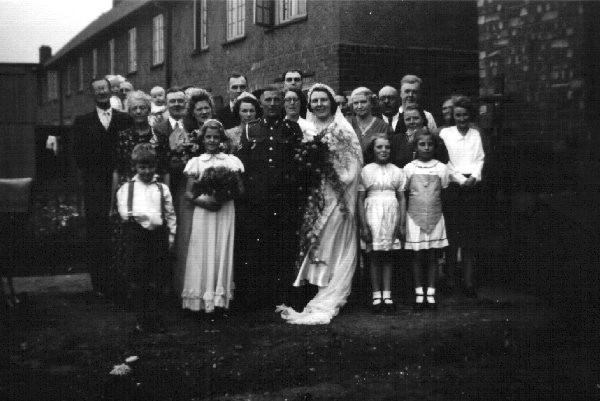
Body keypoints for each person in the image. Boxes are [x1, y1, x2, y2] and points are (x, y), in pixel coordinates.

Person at [277, 83, 362, 325]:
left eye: (323, 100)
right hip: (314, 194)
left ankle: (331, 289)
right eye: (314, 101)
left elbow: (353, 166)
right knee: (316, 241)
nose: (319, 105)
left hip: (337, 195)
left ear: (332, 103)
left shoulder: (342, 129)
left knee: (332, 240)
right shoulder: (308, 127)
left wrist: (327, 174)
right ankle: (315, 287)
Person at [236, 85, 304, 309]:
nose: (273, 104)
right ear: (261, 103)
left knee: (283, 246)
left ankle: (282, 294)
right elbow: (243, 165)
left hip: (284, 198)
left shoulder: (292, 129)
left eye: (277, 100)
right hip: (258, 199)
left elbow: (298, 164)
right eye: (268, 100)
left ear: (283, 102)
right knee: (259, 247)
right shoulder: (250, 129)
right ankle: (259, 297)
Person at [73, 77, 132, 297]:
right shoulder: (83, 121)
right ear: (92, 94)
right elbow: (78, 155)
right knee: (97, 230)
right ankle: (99, 283)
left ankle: (121, 281)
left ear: (111, 91)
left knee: (121, 227)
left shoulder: (124, 119)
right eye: (97, 90)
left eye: (104, 89)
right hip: (95, 184)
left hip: (121, 182)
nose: (101, 93)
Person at [181, 120, 244, 315]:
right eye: (208, 137)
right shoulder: (196, 162)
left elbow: (240, 190)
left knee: (221, 250)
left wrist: (225, 195)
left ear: (222, 139)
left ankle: (220, 299)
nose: (212, 140)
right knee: (202, 251)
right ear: (202, 138)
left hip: (225, 211)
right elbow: (189, 194)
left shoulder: (231, 161)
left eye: (216, 137)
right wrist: (206, 203)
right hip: (204, 212)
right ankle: (199, 300)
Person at [116, 143, 176, 333]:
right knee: (138, 279)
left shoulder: (162, 188)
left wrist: (172, 236)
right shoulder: (127, 188)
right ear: (135, 167)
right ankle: (141, 319)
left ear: (155, 166)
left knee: (157, 279)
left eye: (150, 167)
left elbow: (170, 213)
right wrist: (144, 218)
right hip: (136, 237)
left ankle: (156, 317)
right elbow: (125, 212)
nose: (147, 171)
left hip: (157, 237)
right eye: (142, 167)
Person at [439, 96, 485, 298]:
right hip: (453, 187)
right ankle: (450, 281)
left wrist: (474, 176)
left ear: (470, 115)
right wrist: (459, 178)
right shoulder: (445, 133)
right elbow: (445, 160)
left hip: (473, 188)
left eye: (465, 115)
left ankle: (468, 282)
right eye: (458, 115)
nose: (461, 118)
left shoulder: (475, 134)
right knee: (452, 236)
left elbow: (480, 158)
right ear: (453, 116)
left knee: (470, 237)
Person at [357, 135, 406, 313]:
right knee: (375, 256)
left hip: (391, 214)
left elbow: (401, 198)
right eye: (379, 147)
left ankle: (388, 294)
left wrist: (401, 224)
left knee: (388, 256)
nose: (383, 150)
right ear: (373, 150)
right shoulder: (365, 171)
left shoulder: (397, 171)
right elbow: (360, 199)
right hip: (373, 215)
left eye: (387, 147)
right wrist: (363, 225)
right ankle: (376, 295)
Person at [404, 129, 450, 310]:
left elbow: (444, 190)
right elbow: (406, 192)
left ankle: (430, 293)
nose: (426, 147)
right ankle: (418, 293)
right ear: (415, 147)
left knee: (432, 255)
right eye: (422, 144)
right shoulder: (409, 168)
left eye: (430, 144)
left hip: (435, 216)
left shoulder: (441, 168)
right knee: (416, 256)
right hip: (414, 217)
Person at [347, 87, 391, 153]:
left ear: (372, 103)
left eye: (363, 102)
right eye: (355, 103)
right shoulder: (347, 123)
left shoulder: (383, 126)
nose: (359, 106)